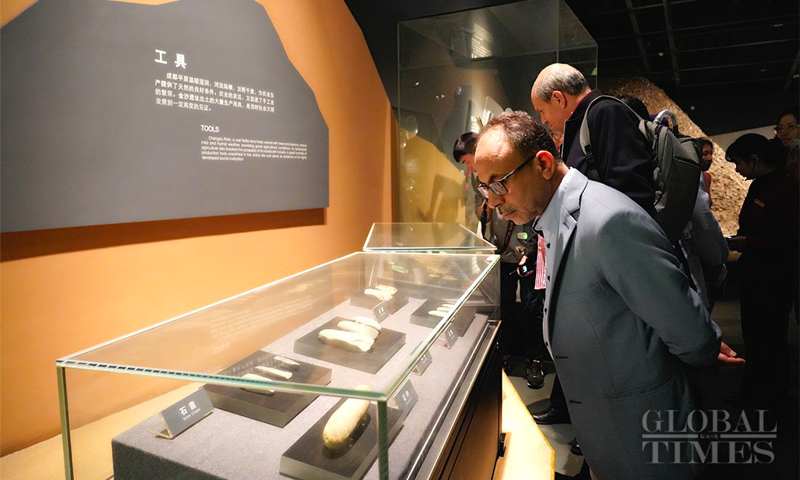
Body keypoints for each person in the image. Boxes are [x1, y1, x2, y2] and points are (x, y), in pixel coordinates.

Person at [474, 110, 739, 480]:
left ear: (544, 164)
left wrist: (707, 347)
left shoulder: (608, 221)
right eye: (485, 188)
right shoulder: (552, 218)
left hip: (643, 435)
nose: (493, 201)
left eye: (499, 183)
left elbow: (685, 325)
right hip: (606, 428)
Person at [528, 65, 657, 435]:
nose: (544, 118)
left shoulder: (605, 112)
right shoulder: (586, 120)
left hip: (613, 258)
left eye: (542, 109)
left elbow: (632, 194)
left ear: (559, 98)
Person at [453, 133, 546, 389]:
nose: (469, 167)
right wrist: (486, 202)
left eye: (467, 161)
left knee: (531, 308)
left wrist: (530, 248)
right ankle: (502, 356)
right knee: (501, 307)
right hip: (501, 254)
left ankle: (534, 360)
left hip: (526, 251)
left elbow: (531, 208)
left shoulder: (508, 171)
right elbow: (480, 212)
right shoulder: (478, 182)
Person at [725, 134, 799, 420]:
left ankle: (770, 401)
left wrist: (748, 243)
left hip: (773, 279)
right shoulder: (761, 185)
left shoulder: (784, 188)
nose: (737, 170)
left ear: (755, 159)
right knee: (755, 339)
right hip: (755, 276)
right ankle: (753, 394)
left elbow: (790, 240)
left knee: (771, 341)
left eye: (739, 163)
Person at [697, 137, 714, 205]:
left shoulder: (706, 177)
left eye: (711, 153)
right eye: (705, 154)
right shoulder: (689, 176)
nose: (709, 158)